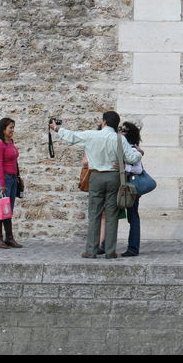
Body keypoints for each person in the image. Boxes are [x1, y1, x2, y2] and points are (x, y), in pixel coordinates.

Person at [50, 111, 142, 259]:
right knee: (112, 214)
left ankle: (91, 250)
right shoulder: (120, 139)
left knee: (94, 214)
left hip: (96, 176)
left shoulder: (92, 135)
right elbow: (131, 158)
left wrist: (56, 128)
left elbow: (72, 136)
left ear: (103, 122)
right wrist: (139, 153)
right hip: (113, 177)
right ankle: (110, 251)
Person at [0, 117, 23, 249]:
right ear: (3, 129)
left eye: (13, 127)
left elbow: (14, 161)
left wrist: (18, 176)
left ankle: (9, 238)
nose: (12, 130)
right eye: (10, 127)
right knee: (1, 208)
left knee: (9, 209)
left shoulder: (10, 142)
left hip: (12, 179)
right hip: (3, 180)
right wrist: (2, 184)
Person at [119, 121, 146, 257]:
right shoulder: (122, 146)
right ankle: (104, 245)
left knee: (133, 216)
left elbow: (138, 168)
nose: (120, 132)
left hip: (130, 186)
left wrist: (124, 168)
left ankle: (133, 248)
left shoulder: (133, 149)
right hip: (119, 185)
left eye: (123, 130)